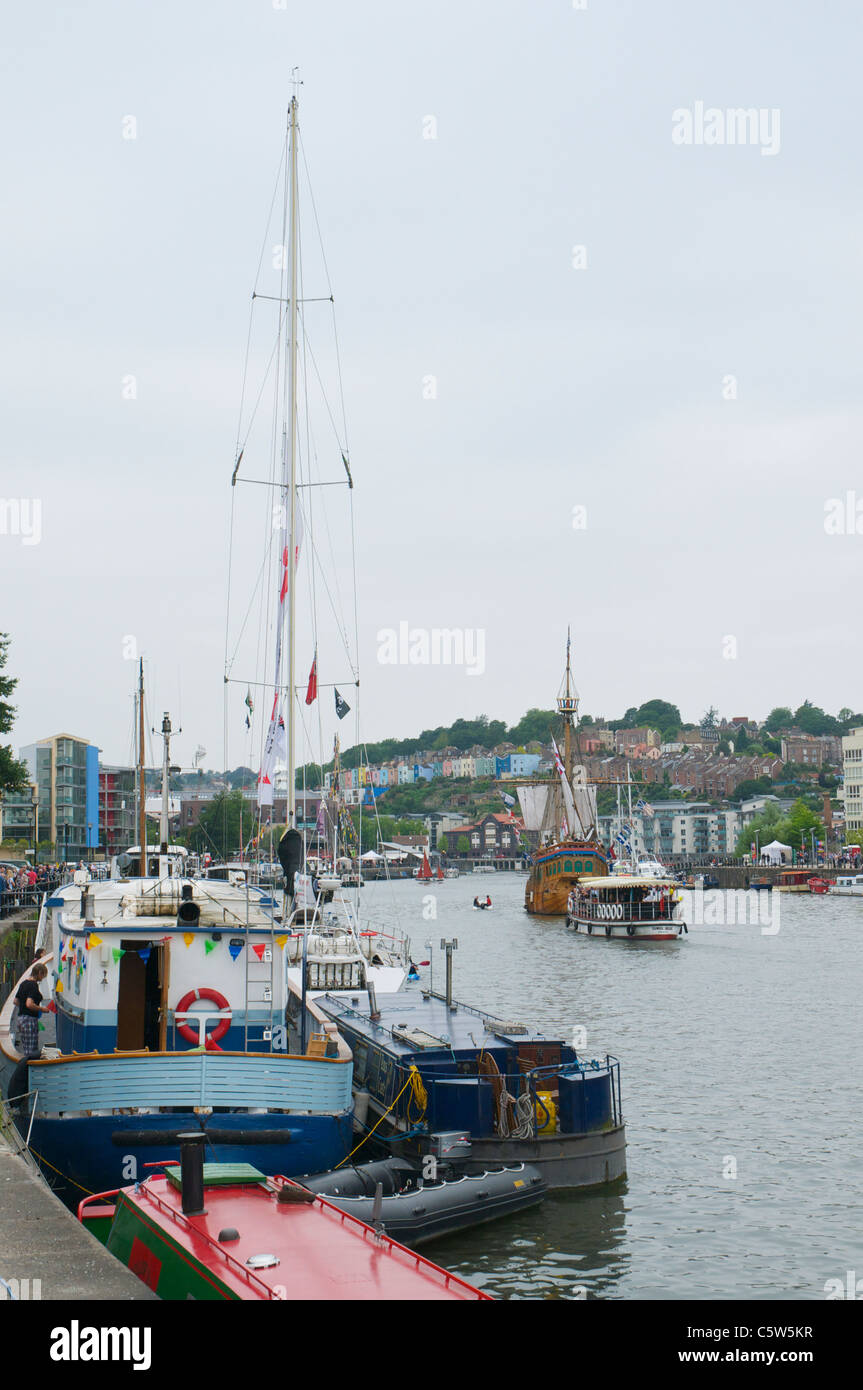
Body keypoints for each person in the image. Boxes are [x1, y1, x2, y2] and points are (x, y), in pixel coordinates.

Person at [14, 963, 51, 1059]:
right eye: (43, 975)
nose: (43, 978)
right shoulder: (33, 985)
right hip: (29, 1021)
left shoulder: (23, 983)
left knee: (26, 1049)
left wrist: (24, 1007)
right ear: (39, 973)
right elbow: (29, 1004)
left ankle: (27, 1066)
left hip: (21, 1019)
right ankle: (28, 1068)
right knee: (31, 1052)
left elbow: (16, 1001)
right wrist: (42, 1009)